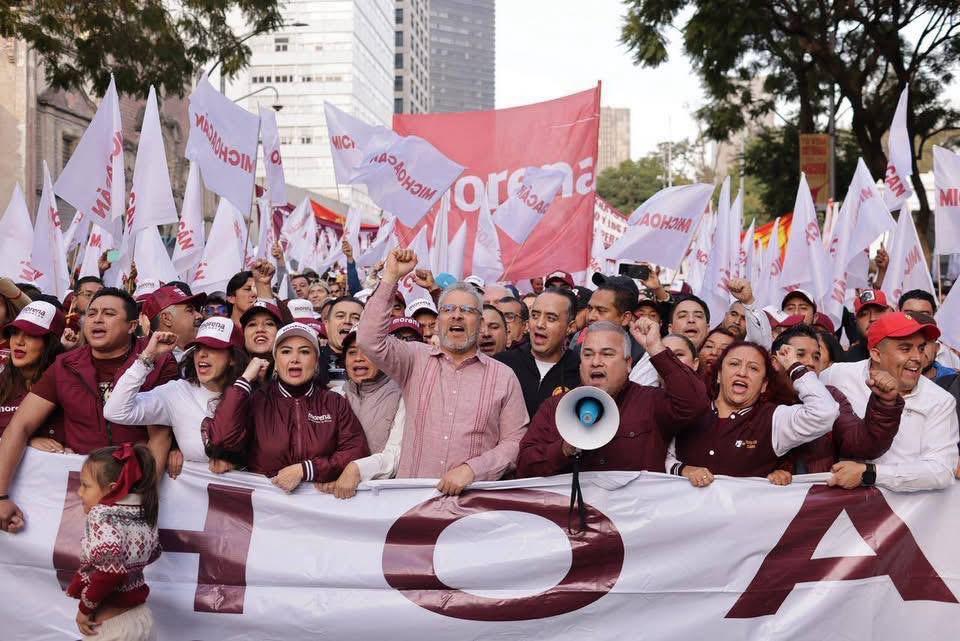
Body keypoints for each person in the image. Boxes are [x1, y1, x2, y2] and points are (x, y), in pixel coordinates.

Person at [0, 288, 180, 533]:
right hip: (78, 494)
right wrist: (0, 496)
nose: (97, 319)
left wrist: (139, 502)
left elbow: (160, 437)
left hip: (135, 489)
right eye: (92, 313)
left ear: (131, 325)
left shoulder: (158, 359)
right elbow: (20, 425)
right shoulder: (65, 365)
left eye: (108, 314)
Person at [357, 249, 529, 494]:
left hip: (470, 508)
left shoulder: (503, 377)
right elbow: (368, 340)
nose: (457, 316)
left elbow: (515, 442)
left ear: (480, 324)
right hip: (410, 504)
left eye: (467, 311)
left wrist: (473, 469)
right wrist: (391, 278)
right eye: (448, 310)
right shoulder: (413, 358)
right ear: (438, 321)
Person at [516, 319, 709, 477]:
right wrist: (564, 449)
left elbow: (694, 402)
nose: (596, 362)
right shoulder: (556, 407)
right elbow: (525, 465)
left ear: (628, 364)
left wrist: (656, 347)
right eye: (588, 354)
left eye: (607, 354)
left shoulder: (651, 402)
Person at [204, 323, 370, 490]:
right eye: (286, 351)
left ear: (316, 361)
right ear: (276, 361)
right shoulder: (256, 400)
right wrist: (245, 379)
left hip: (319, 510)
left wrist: (307, 470)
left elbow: (356, 452)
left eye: (304, 352)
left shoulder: (334, 402)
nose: (295, 359)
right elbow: (221, 439)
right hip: (266, 508)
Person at [820, 312, 959, 491]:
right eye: (905, 348)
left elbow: (942, 470)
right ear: (876, 354)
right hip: (838, 510)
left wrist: (870, 473)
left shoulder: (941, 401)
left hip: (906, 516)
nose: (918, 357)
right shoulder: (837, 376)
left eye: (921, 348)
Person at [671, 341, 840, 485]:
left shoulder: (774, 419)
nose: (742, 373)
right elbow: (654, 455)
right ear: (719, 375)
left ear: (764, 385)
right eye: (734, 364)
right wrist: (681, 469)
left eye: (753, 368)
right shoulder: (690, 410)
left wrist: (794, 366)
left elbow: (826, 413)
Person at [103, 318, 249, 478]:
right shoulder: (176, 392)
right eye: (198, 348)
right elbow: (115, 411)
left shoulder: (252, 394)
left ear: (233, 358)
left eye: (213, 348)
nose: (202, 354)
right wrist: (147, 357)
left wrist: (236, 461)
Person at [768, 325, 903, 474]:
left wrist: (885, 405)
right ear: (775, 361)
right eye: (799, 355)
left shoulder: (831, 397)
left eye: (816, 357)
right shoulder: (755, 398)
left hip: (816, 494)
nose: (811, 363)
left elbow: (862, 446)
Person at [67, 443, 161, 639]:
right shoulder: (141, 510)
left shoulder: (101, 514)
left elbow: (110, 572)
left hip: (112, 629)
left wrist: (84, 609)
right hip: (140, 619)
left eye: (85, 485)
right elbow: (154, 552)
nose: (80, 492)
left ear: (111, 489)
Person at [317, 331, 406, 499]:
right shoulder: (334, 396)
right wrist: (327, 472)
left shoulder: (403, 396)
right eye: (352, 352)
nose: (358, 358)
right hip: (333, 497)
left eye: (367, 351)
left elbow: (396, 455)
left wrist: (357, 470)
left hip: (382, 499)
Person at [496, 289, 580, 419]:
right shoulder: (502, 365)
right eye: (534, 316)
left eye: (551, 318)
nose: (540, 324)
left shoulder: (580, 371)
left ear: (570, 327)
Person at [0, 301, 65, 448]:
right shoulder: (2, 381)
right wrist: (24, 441)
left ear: (51, 343)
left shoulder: (67, 385)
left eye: (31, 335)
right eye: (14, 333)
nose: (19, 341)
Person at [141, 285, 205, 362]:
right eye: (190, 310)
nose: (199, 316)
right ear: (167, 318)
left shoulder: (211, 355)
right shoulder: (148, 366)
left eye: (196, 310)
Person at [321, 296, 364, 388]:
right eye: (340, 316)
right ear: (326, 324)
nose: (347, 321)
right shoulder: (313, 360)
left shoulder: (373, 362)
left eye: (356, 317)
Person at [843, 289, 890, 362]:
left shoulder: (904, 349)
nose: (872, 318)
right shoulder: (849, 360)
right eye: (864, 314)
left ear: (889, 313)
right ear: (856, 320)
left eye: (878, 311)